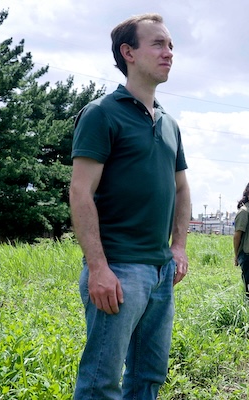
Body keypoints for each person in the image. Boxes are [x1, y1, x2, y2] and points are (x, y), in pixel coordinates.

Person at [70, 14, 190, 399]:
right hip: (118, 270)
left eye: (170, 45)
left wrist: (179, 247)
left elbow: (182, 188)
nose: (169, 52)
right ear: (129, 53)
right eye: (158, 44)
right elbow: (80, 191)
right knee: (100, 384)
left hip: (160, 273)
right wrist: (98, 268)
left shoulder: (169, 123)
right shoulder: (102, 113)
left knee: (148, 377)